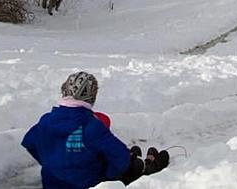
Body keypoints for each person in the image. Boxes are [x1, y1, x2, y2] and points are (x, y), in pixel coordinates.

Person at [22, 72, 169, 189]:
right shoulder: (90, 125)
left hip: (52, 184)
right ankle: (150, 165)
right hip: (90, 184)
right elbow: (121, 158)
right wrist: (109, 174)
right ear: (91, 96)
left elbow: (29, 142)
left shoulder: (46, 121)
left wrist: (52, 163)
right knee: (132, 164)